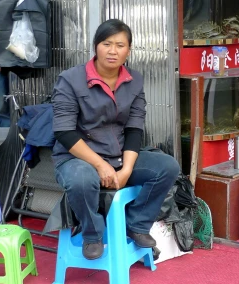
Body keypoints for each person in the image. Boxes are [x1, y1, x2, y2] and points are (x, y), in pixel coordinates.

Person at [51, 19, 179, 260]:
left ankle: (137, 224)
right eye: (106, 44)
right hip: (76, 157)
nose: (112, 51)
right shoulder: (70, 80)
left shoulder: (134, 80)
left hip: (118, 154)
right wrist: (100, 164)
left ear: (128, 50)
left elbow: (134, 128)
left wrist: (127, 169)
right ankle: (92, 234)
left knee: (167, 167)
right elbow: (64, 132)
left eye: (120, 45)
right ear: (95, 46)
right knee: (81, 179)